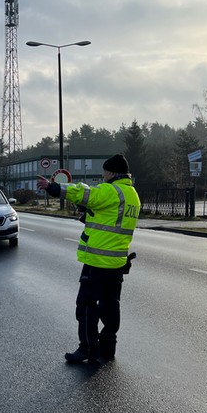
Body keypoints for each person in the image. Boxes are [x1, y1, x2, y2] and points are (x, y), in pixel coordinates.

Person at [36, 154, 140, 364]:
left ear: (111, 173)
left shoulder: (111, 191)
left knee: (86, 305)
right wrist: (91, 214)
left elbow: (84, 192)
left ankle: (87, 348)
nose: (102, 177)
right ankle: (108, 348)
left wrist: (52, 187)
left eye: (104, 173)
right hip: (118, 262)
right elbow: (111, 219)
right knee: (111, 306)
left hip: (97, 262)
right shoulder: (132, 195)